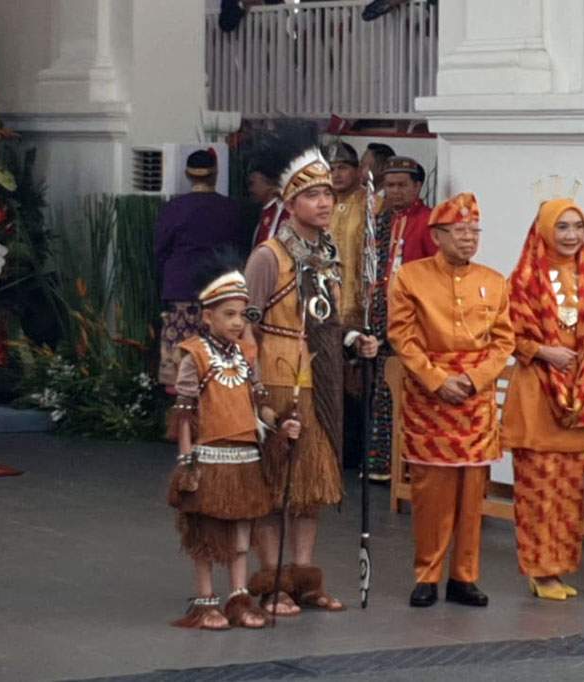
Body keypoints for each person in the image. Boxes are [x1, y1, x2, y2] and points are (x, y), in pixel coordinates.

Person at [241, 122, 378, 616]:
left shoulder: (329, 254)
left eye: (328, 194)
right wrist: (252, 391)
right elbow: (243, 330)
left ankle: (303, 578)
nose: (324, 202)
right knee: (273, 488)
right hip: (275, 380)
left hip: (319, 379)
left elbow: (329, 318)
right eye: (314, 194)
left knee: (311, 489)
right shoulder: (268, 256)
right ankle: (272, 582)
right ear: (290, 202)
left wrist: (353, 340)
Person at [388, 192, 515, 608]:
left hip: (475, 399)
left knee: (473, 493)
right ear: (437, 235)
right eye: (459, 232)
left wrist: (475, 379)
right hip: (430, 397)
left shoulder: (494, 281)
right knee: (431, 493)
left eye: (474, 231)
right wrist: (437, 379)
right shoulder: (410, 277)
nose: (468, 239)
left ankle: (465, 577)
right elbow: (402, 338)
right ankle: (426, 574)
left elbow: (503, 341)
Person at [165, 265, 299, 630]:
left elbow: (260, 406)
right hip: (209, 459)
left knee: (243, 532)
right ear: (207, 316)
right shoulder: (195, 355)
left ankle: (238, 597)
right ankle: (205, 601)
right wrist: (186, 461)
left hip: (244, 459)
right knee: (207, 535)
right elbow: (185, 413)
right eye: (229, 314)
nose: (238, 322)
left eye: (242, 314)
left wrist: (281, 423)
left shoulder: (246, 356)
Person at [502, 196, 584, 601]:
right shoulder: (522, 279)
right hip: (537, 397)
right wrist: (542, 351)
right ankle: (540, 572)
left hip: (581, 398)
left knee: (569, 493)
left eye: (578, 227)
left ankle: (560, 568)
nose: (571, 235)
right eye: (562, 227)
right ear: (544, 230)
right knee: (538, 490)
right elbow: (505, 334)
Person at [365, 155, 436, 480]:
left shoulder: (429, 222)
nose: (393, 191)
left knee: (409, 394)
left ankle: (408, 466)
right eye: (389, 185)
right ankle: (383, 465)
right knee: (382, 389)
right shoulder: (380, 221)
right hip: (381, 316)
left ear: (417, 186)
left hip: (415, 322)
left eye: (401, 185)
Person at [155, 148, 247, 389]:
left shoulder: (173, 208)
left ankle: (181, 414)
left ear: (188, 174)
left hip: (181, 291)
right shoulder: (233, 209)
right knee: (215, 362)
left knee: (179, 362)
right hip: (219, 295)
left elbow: (161, 251)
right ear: (215, 174)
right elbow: (241, 250)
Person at [324, 141, 378, 468]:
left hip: (359, 308)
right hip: (327, 308)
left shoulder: (373, 205)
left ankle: (357, 455)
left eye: (342, 167)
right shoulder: (321, 205)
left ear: (358, 170)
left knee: (358, 385)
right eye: (331, 169)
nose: (336, 174)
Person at [247, 139, 288, 248]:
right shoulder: (265, 211)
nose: (250, 190)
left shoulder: (286, 212)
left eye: (252, 184)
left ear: (269, 183)